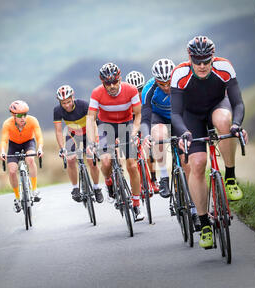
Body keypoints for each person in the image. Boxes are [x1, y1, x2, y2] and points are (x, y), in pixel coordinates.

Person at [171, 35, 248, 248]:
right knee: (196, 164)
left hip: (217, 106)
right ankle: (204, 223)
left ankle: (230, 178)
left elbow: (238, 103)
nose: (202, 65)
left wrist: (237, 125)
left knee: (224, 121)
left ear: (213, 56)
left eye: (206, 60)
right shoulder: (180, 74)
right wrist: (184, 132)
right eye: (197, 61)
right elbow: (175, 113)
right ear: (190, 57)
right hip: (191, 117)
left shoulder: (224, 67)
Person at [86, 62, 145, 221]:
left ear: (120, 79)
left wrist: (134, 132)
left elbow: (138, 115)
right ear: (102, 82)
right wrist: (91, 142)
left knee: (132, 165)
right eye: (107, 83)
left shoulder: (131, 90)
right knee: (105, 162)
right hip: (105, 127)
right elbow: (91, 118)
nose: (112, 86)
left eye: (115, 82)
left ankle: (136, 204)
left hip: (127, 125)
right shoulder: (97, 93)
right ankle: (109, 182)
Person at [53, 85, 103, 203]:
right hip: (73, 135)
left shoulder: (83, 105)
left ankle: (96, 188)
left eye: (68, 102)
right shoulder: (57, 110)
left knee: (91, 160)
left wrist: (94, 142)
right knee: (70, 159)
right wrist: (62, 148)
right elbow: (59, 131)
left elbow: (94, 124)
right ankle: (75, 188)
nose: (66, 105)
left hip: (88, 133)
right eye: (63, 103)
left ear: (73, 98)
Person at [140, 58, 177, 199]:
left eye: (169, 82)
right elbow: (145, 117)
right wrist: (145, 135)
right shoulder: (149, 89)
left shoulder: (181, 83)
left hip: (178, 116)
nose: (167, 87)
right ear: (156, 80)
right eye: (162, 84)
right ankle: (164, 177)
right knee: (159, 135)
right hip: (158, 116)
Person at [0, 100, 44, 213]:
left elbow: (39, 136)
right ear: (13, 115)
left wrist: (40, 149)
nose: (23, 117)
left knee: (30, 159)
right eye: (20, 115)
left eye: (25, 114)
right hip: (13, 145)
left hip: (28, 142)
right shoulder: (7, 124)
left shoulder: (33, 120)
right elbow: (4, 140)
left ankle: (34, 190)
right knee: (12, 171)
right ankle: (17, 198)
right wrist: (2, 152)